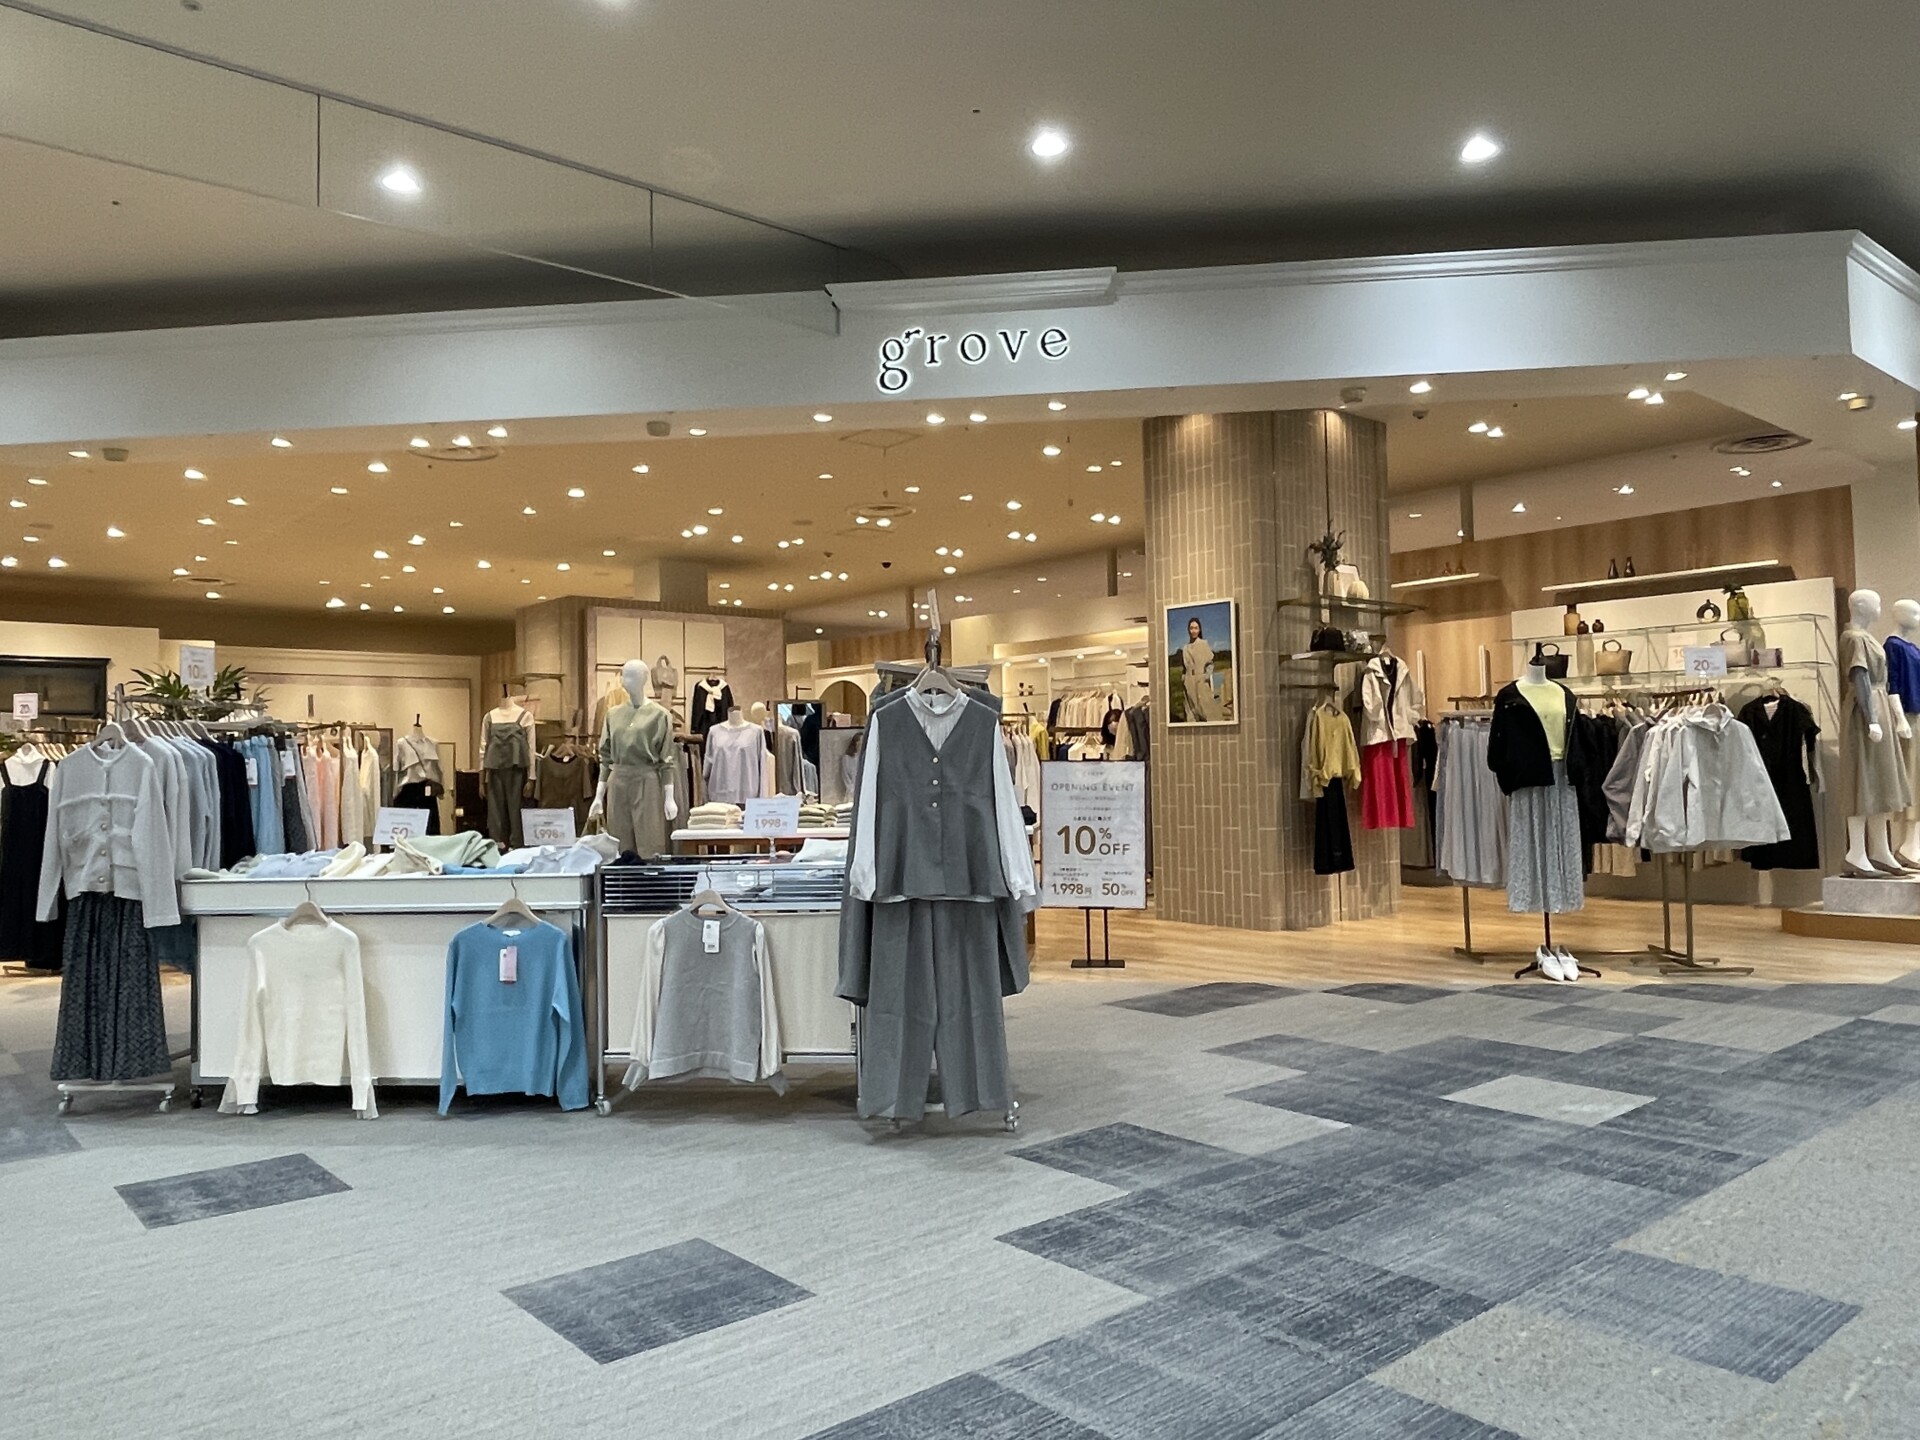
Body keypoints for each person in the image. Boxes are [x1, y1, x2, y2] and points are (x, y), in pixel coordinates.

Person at [1179, 615, 1223, 721]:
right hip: (1189, 681)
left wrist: (1206, 676)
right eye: (1191, 628)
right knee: (1191, 709)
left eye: (1196, 628)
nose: (1193, 631)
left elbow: (1210, 663)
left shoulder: (1203, 644)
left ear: (1199, 630)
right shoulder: (1185, 648)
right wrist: (1184, 678)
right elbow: (1184, 667)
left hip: (1201, 680)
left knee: (1206, 707)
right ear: (1188, 630)